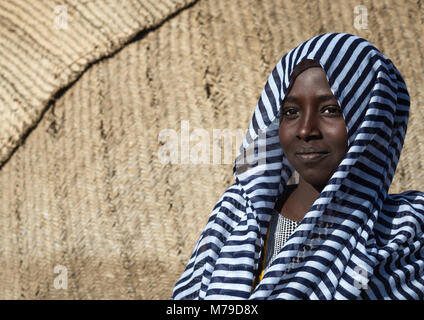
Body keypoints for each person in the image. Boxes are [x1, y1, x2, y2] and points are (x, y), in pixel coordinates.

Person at [172, 33, 424, 299]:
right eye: (291, 112)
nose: (305, 130)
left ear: (371, 121)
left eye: (330, 110)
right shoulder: (236, 214)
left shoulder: (405, 232)